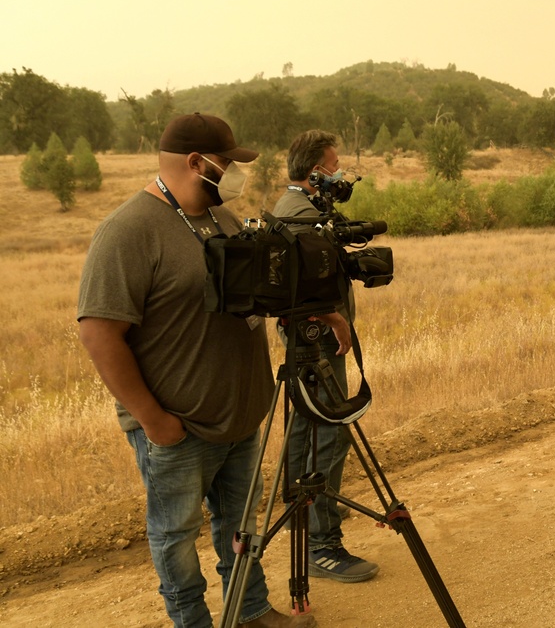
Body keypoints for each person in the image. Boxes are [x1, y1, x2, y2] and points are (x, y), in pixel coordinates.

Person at [78, 113, 350, 627]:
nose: (234, 173)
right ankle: (194, 623)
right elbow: (98, 333)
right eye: (227, 164)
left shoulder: (222, 219)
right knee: (176, 537)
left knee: (241, 525)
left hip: (242, 416)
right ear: (196, 162)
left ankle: (249, 612)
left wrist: (319, 307)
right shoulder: (127, 230)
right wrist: (153, 420)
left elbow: (262, 293)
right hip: (178, 426)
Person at [272, 129, 380, 583]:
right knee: (326, 432)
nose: (339, 174)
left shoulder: (301, 210)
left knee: (314, 429)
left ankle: (317, 519)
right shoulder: (300, 215)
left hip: (313, 340)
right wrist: (333, 317)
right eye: (334, 166)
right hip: (316, 342)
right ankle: (321, 544)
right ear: (316, 170)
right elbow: (296, 288)